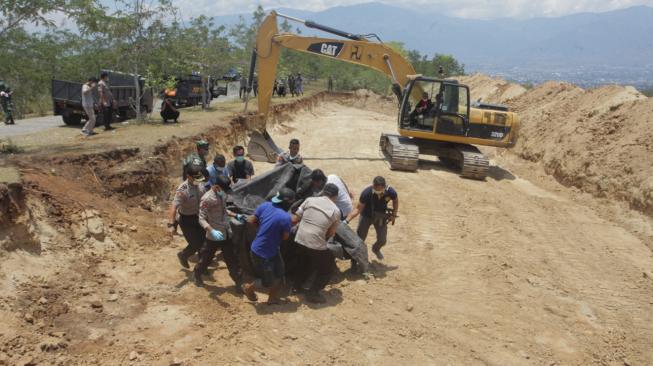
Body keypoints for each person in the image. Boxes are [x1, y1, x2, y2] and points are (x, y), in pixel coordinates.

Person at [242, 188, 295, 304]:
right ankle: (248, 288)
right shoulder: (285, 218)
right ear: (287, 203)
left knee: (279, 274)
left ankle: (272, 298)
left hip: (266, 249)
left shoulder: (265, 205)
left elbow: (251, 220)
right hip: (263, 254)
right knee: (268, 281)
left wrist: (263, 230)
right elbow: (285, 237)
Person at [291, 183, 341, 303]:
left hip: (299, 238)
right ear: (335, 197)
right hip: (315, 242)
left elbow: (295, 219)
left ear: (323, 192)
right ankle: (313, 293)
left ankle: (296, 287)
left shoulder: (309, 200)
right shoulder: (335, 210)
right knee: (327, 268)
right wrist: (321, 240)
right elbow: (331, 233)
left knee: (302, 262)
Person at [194, 175, 244, 288]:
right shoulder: (207, 199)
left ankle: (239, 283)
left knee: (232, 260)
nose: (225, 192)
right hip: (214, 235)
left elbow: (222, 209)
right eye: (224, 189)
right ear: (216, 186)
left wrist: (236, 215)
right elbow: (201, 218)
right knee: (206, 258)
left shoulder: (221, 195)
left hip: (226, 232)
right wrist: (211, 231)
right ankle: (197, 274)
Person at [345, 176, 398, 261]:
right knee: (360, 239)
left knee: (382, 240)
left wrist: (394, 214)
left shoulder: (390, 191)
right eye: (376, 189)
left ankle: (376, 249)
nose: (378, 191)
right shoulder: (366, 193)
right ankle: (356, 259)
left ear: (384, 187)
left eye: (380, 189)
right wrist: (346, 220)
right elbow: (358, 208)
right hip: (366, 216)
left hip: (381, 217)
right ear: (373, 185)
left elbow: (395, 200)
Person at [168, 165, 207, 269]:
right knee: (195, 243)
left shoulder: (200, 183)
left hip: (200, 217)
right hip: (187, 220)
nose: (198, 179)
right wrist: (171, 224)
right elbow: (173, 207)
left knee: (204, 243)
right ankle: (183, 255)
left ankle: (202, 267)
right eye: (195, 177)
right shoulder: (182, 190)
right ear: (188, 176)